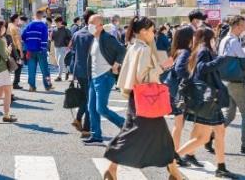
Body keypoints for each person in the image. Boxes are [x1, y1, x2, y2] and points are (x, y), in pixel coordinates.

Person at [102, 16, 183, 180]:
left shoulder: (134, 46)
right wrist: (163, 66)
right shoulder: (144, 49)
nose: (154, 33)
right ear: (144, 31)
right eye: (152, 30)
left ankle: (174, 172)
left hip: (137, 96)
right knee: (140, 134)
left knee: (139, 132)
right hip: (147, 99)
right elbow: (143, 76)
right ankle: (174, 172)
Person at [174, 27, 237, 178]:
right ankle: (173, 157)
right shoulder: (203, 50)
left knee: (218, 132)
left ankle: (221, 167)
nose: (215, 40)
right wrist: (221, 60)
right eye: (213, 37)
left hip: (209, 99)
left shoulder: (200, 50)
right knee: (203, 137)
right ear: (209, 38)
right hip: (209, 99)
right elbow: (202, 69)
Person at [83, 14, 126, 145]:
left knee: (101, 108)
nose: (89, 25)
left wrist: (116, 64)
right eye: (89, 23)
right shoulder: (94, 38)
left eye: (92, 23)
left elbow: (122, 50)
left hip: (105, 76)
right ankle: (96, 136)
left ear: (100, 25)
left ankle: (125, 125)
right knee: (91, 108)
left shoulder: (107, 38)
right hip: (94, 77)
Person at [218, 15, 245, 154]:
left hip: (225, 80)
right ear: (235, 26)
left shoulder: (223, 40)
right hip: (235, 81)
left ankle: (210, 135)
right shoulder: (234, 41)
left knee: (230, 114)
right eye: (243, 26)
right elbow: (243, 59)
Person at [167, 25, 194, 151]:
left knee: (179, 125)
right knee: (178, 125)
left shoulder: (177, 50)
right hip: (178, 93)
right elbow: (179, 69)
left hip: (174, 91)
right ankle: (174, 154)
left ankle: (176, 152)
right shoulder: (185, 52)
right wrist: (190, 77)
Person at [69, 13, 95, 138]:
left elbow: (72, 51)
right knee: (91, 100)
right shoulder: (94, 35)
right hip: (92, 70)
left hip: (78, 70)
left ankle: (78, 119)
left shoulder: (76, 34)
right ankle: (86, 128)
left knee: (86, 97)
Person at [22, 10, 52, 91]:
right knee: (45, 69)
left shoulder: (29, 25)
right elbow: (44, 39)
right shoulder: (43, 26)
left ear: (35, 16)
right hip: (41, 50)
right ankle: (48, 85)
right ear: (42, 16)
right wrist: (43, 48)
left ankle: (32, 86)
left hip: (30, 50)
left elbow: (23, 36)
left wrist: (29, 43)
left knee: (31, 69)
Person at [8, 14, 24, 89]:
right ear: (15, 19)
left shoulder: (8, 26)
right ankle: (15, 83)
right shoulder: (15, 28)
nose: (19, 20)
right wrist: (21, 52)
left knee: (7, 66)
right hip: (15, 49)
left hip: (8, 48)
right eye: (18, 18)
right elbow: (18, 41)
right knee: (19, 65)